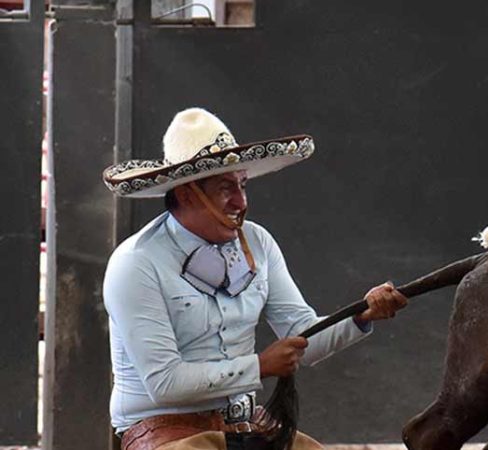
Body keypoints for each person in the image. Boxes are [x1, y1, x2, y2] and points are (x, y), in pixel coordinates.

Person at [102, 108, 409, 450]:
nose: (241, 201)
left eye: (242, 185)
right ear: (188, 194)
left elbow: (302, 335)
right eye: (225, 188)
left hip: (245, 425)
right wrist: (260, 366)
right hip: (166, 434)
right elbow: (165, 382)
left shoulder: (258, 243)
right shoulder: (136, 263)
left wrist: (362, 314)